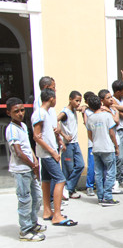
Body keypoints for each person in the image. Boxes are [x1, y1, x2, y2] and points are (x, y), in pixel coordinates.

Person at [32, 88, 77, 226]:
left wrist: (58, 140)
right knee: (60, 179)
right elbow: (36, 136)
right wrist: (52, 152)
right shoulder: (40, 113)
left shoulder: (44, 113)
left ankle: (47, 211)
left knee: (46, 180)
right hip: (47, 153)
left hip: (45, 152)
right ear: (51, 98)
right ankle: (57, 214)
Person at [6, 97, 45, 241]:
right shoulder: (11, 130)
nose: (20, 113)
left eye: (22, 110)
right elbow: (18, 152)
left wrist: (35, 160)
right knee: (24, 200)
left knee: (36, 197)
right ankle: (25, 230)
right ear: (9, 112)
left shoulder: (22, 126)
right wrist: (32, 164)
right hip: (21, 170)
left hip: (29, 167)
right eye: (16, 111)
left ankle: (33, 223)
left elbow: (27, 148)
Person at [86, 95, 120, 206]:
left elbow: (89, 135)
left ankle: (100, 197)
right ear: (100, 103)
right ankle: (108, 197)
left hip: (96, 148)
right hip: (107, 148)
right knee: (111, 172)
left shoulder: (90, 118)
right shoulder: (106, 116)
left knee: (98, 173)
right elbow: (111, 133)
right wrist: (116, 146)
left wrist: (96, 141)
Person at [58, 91, 85, 199]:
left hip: (75, 143)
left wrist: (82, 107)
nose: (78, 103)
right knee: (68, 168)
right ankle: (69, 189)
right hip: (67, 144)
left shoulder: (73, 110)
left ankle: (68, 188)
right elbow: (55, 120)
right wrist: (63, 135)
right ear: (70, 99)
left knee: (80, 165)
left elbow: (83, 107)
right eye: (76, 101)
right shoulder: (64, 113)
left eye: (80, 101)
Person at [98, 89, 122, 195]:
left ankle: (112, 184)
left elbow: (117, 120)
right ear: (102, 100)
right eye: (108, 98)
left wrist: (113, 111)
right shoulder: (102, 111)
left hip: (115, 138)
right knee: (107, 168)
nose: (111, 99)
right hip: (108, 141)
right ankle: (108, 189)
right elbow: (115, 121)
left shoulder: (112, 109)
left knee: (118, 160)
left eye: (111, 97)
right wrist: (110, 112)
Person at [81, 91, 96, 196]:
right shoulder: (86, 112)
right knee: (92, 165)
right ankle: (89, 186)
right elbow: (87, 125)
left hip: (101, 143)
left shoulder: (100, 110)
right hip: (92, 143)